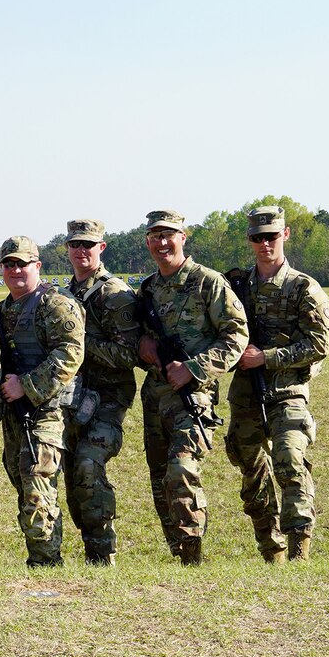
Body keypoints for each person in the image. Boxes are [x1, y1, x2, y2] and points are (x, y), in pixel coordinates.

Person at [138, 210, 248, 565]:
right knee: (159, 480)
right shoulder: (148, 288)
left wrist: (195, 368)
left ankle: (193, 554)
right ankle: (179, 555)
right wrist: (143, 343)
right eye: (155, 236)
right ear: (148, 242)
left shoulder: (208, 282)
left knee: (181, 470)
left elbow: (237, 336)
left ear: (183, 237)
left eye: (169, 235)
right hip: (155, 396)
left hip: (192, 397)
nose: (162, 243)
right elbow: (140, 336)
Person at [224, 206, 329, 562]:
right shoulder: (235, 285)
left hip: (288, 391)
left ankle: (299, 549)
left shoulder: (303, 288)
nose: (264, 243)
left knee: (288, 459)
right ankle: (272, 551)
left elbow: (318, 344)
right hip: (245, 394)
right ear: (250, 241)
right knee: (252, 471)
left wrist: (266, 357)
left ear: (284, 235)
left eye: (271, 236)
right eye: (257, 238)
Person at [0, 237, 84, 568]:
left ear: (37, 266)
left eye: (23, 264)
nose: (16, 270)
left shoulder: (55, 304)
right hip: (15, 416)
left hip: (47, 412)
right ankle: (42, 558)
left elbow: (71, 352)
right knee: (24, 484)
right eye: (9, 264)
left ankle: (46, 565)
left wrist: (26, 386)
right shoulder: (1, 313)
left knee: (37, 485)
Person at [60, 220, 139, 565]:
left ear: (101, 248)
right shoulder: (65, 294)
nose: (82, 251)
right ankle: (91, 548)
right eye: (76, 244)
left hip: (108, 397)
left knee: (89, 465)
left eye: (88, 245)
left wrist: (79, 344)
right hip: (73, 399)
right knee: (73, 475)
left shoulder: (114, 294)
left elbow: (128, 354)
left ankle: (103, 553)